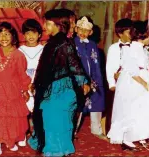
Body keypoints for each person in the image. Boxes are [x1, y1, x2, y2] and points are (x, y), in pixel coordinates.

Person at [28, 9, 90, 156]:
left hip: (61, 88)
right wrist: (35, 82)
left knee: (56, 118)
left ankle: (56, 149)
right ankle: (52, 146)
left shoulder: (64, 43)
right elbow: (43, 67)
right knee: (49, 117)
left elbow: (74, 64)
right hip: (50, 87)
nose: (44, 26)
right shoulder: (52, 43)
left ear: (58, 25)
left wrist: (83, 82)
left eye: (48, 23)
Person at [107, 20, 149, 151]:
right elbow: (131, 69)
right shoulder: (132, 48)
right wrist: (144, 83)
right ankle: (126, 138)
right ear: (143, 35)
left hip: (142, 81)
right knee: (130, 110)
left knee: (142, 110)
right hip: (133, 83)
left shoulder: (141, 48)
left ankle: (139, 134)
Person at [0, 21, 31, 155]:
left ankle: (10, 140)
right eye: (0, 35)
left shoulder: (18, 55)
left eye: (7, 34)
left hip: (12, 92)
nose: (4, 38)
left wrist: (25, 90)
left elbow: (22, 75)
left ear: (13, 36)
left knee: (11, 118)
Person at [74, 16, 106, 139]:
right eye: (80, 29)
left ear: (91, 32)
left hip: (93, 79)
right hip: (78, 80)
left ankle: (96, 129)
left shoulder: (92, 45)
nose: (83, 32)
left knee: (97, 101)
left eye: (86, 30)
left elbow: (96, 63)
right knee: (77, 106)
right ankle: (72, 131)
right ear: (76, 29)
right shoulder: (72, 43)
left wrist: (97, 80)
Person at [18, 18, 44, 146]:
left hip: (39, 84)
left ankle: (38, 135)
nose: (31, 36)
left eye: (34, 33)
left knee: (38, 111)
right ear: (23, 35)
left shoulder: (44, 49)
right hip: (23, 85)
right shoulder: (19, 50)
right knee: (23, 111)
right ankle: (21, 133)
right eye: (27, 33)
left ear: (39, 34)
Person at [105, 18, 132, 133]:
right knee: (114, 109)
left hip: (131, 82)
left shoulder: (135, 47)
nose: (132, 34)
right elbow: (110, 67)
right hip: (117, 83)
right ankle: (111, 131)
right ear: (120, 34)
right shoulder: (114, 48)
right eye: (128, 32)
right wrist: (111, 83)